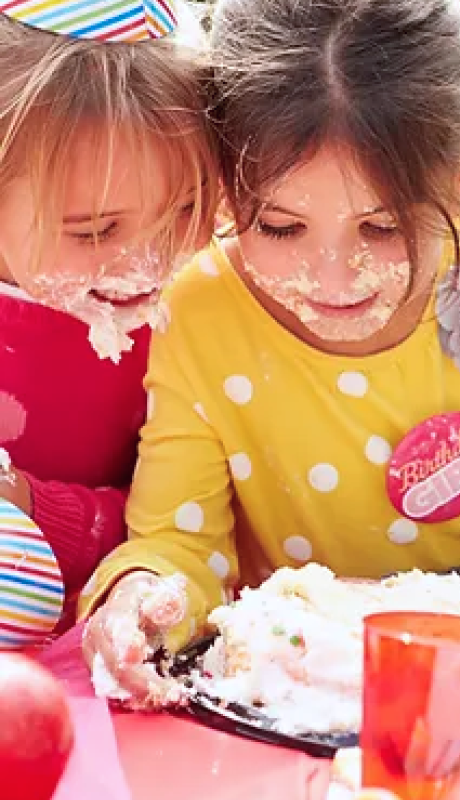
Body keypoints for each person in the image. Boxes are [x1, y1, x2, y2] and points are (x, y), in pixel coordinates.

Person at [79, 0, 460, 705]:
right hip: (298, 693)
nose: (334, 276)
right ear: (224, 192)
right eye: (278, 225)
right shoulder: (202, 308)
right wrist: (141, 601)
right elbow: (180, 543)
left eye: (382, 226)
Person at [0, 0, 214, 649]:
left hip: (108, 656)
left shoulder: (202, 316)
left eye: (184, 212)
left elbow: (177, 526)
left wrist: (32, 505)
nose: (146, 264)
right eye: (95, 230)